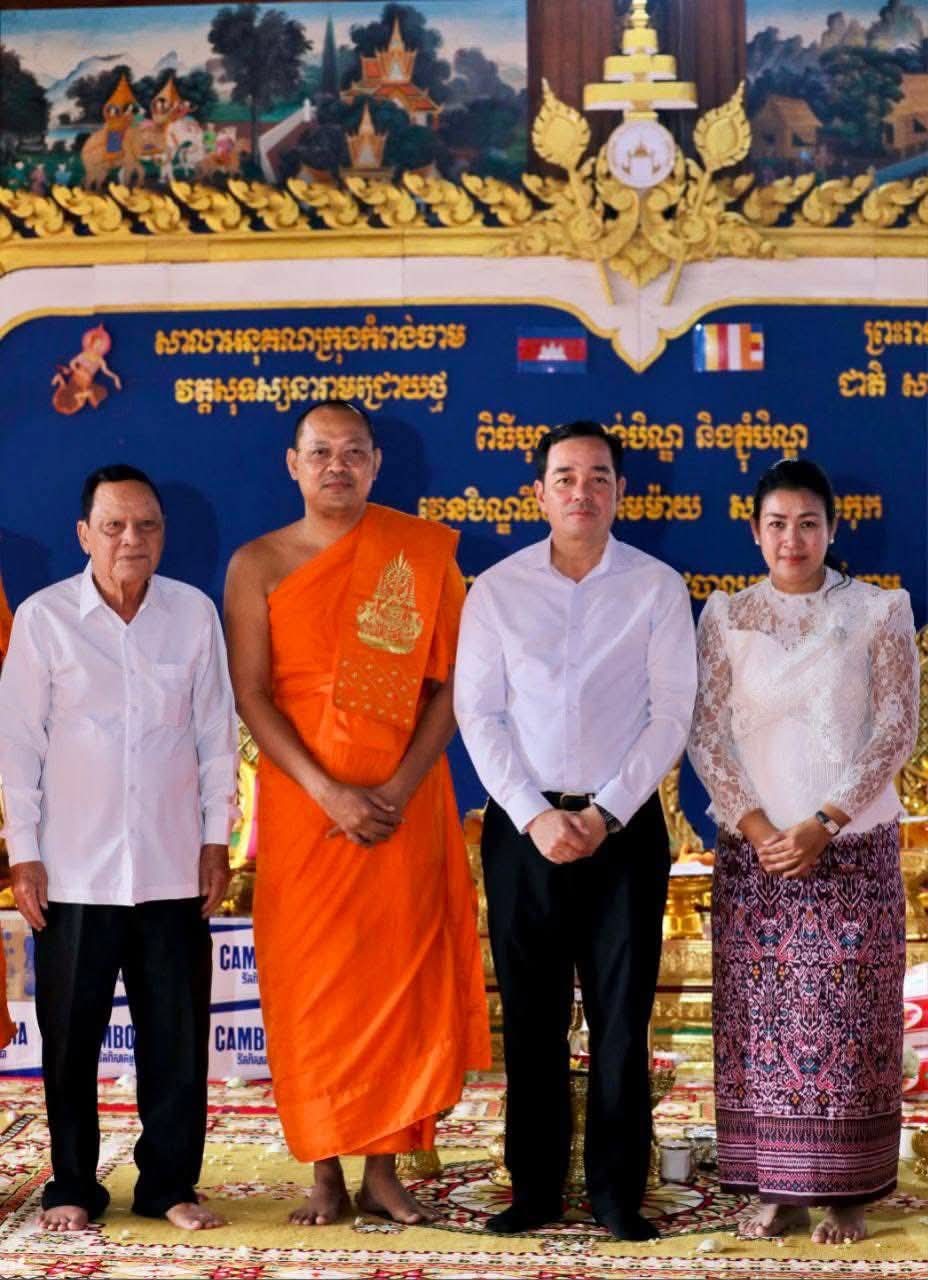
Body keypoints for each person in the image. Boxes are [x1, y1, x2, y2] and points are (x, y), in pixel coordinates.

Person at [223, 400, 490, 1227]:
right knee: (314, 985)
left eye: (352, 452)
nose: (336, 466)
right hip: (304, 804)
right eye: (320, 452)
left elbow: (455, 687)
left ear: (376, 464)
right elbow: (251, 694)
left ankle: (383, 1168)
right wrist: (327, 790)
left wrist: (400, 788)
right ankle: (324, 1168)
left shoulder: (418, 554)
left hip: (405, 801)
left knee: (396, 980)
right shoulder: (257, 563)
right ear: (292, 464)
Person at [454, 420, 697, 1240]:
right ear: (539, 493)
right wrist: (534, 814)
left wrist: (603, 812)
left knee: (621, 1018)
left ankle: (617, 1193)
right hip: (524, 830)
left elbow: (671, 714)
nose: (581, 492)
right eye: (565, 477)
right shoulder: (496, 590)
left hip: (621, 829)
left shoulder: (657, 587)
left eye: (598, 477)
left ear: (621, 492)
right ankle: (535, 1189)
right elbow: (478, 715)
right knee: (531, 1015)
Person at [0, 464, 239, 1233]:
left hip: (173, 865)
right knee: (71, 1039)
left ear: (163, 534)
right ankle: (72, 1183)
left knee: (176, 1037)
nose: (131, 539)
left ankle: (169, 1184)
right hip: (73, 871)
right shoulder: (44, 619)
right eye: (114, 526)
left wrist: (216, 840)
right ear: (84, 534)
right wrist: (24, 851)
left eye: (147, 525)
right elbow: (17, 745)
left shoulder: (193, 614)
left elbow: (215, 736)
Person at [687, 458, 919, 1245]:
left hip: (851, 851)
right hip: (756, 858)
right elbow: (707, 734)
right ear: (755, 532)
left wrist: (825, 820)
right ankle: (777, 1189)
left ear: (832, 528)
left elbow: (895, 729)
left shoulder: (879, 610)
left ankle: (849, 1192)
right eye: (777, 524)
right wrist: (760, 830)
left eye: (808, 523)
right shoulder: (726, 615)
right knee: (761, 1024)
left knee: (851, 1022)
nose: (792, 539)